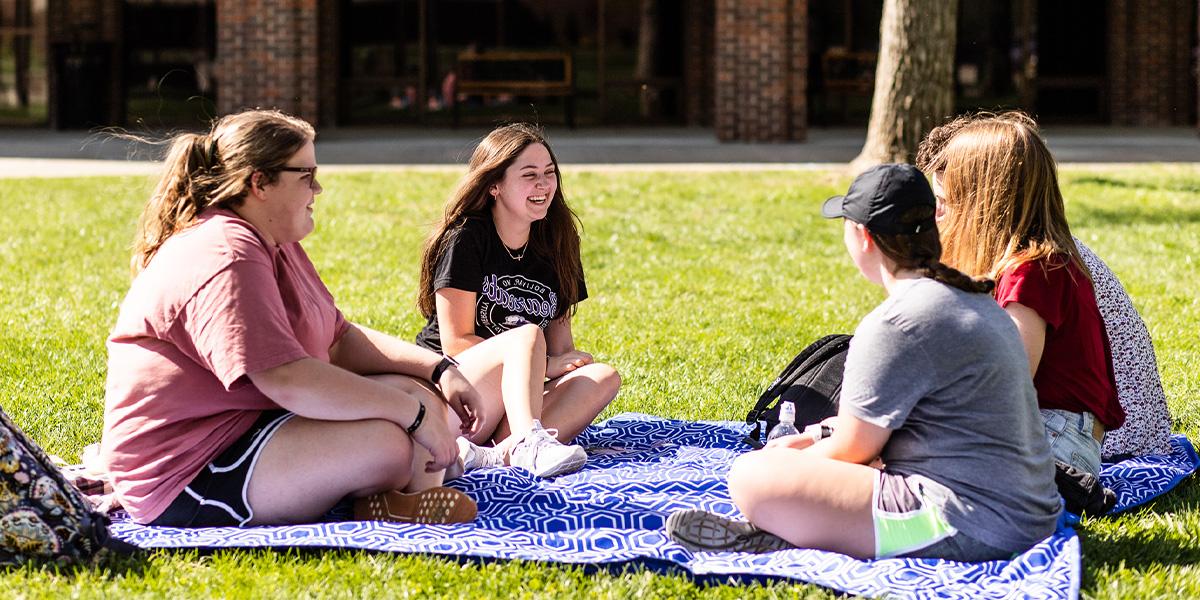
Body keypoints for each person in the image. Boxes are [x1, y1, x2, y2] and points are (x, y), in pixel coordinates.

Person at [98, 109, 552, 527]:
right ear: (259, 183)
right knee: (390, 444)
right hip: (186, 471)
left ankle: (394, 500)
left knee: (415, 395)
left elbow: (337, 339)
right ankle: (394, 495)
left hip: (248, 426)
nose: (318, 189)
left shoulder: (273, 238)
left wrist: (437, 370)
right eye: (306, 176)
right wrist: (411, 415)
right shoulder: (225, 252)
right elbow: (286, 379)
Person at [666, 164, 1061, 561]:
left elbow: (852, 450)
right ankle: (816, 527)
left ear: (864, 236)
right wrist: (819, 436)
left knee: (752, 475)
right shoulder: (973, 300)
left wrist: (790, 459)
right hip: (1030, 514)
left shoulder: (897, 322)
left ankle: (797, 532)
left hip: (973, 526)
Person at [916, 111, 1132, 474]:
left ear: (983, 203)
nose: (938, 213)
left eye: (946, 201)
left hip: (1056, 440)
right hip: (1042, 431)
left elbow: (1006, 381)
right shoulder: (1024, 265)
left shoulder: (1032, 271)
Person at [415, 123, 621, 477]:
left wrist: (557, 365)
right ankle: (529, 442)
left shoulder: (558, 246)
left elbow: (563, 353)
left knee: (601, 377)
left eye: (549, 173)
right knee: (526, 335)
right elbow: (456, 344)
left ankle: (496, 455)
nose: (543, 185)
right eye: (529, 175)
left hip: (502, 409)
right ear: (494, 185)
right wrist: (543, 363)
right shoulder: (466, 238)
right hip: (452, 394)